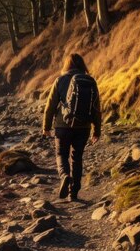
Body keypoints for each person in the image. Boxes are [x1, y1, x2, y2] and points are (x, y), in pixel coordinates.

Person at [42, 53, 101, 201]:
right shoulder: (90, 81)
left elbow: (50, 106)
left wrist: (46, 127)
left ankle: (64, 176)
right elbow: (96, 108)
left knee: (61, 154)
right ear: (82, 65)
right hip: (84, 126)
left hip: (63, 126)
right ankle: (73, 193)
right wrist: (97, 130)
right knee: (77, 158)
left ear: (67, 65)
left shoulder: (60, 80)